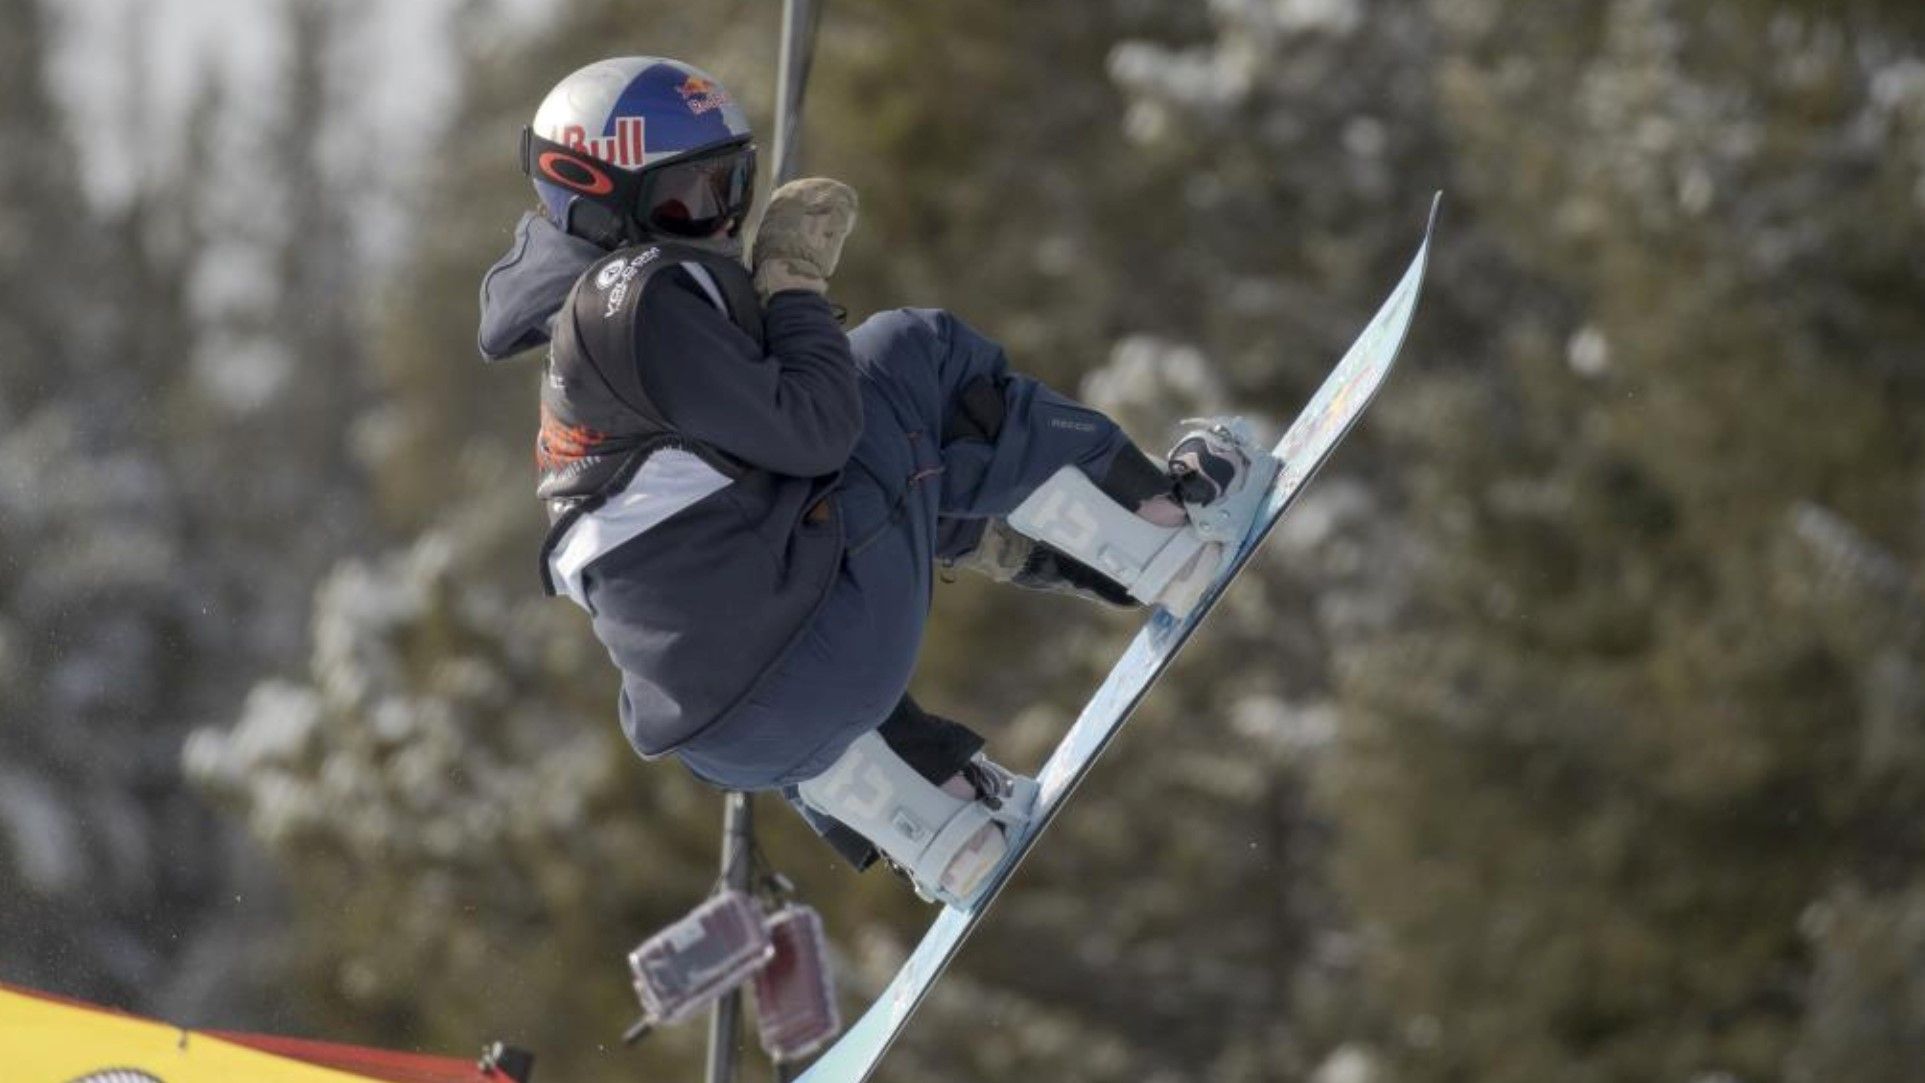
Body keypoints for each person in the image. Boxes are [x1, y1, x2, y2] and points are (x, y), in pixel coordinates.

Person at [477, 57, 1275, 907]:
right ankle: (1165, 528)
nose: (718, 224)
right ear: (595, 199)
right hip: (821, 651)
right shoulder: (634, 294)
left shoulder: (583, 354)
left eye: (731, 189)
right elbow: (820, 427)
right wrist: (792, 287)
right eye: (688, 201)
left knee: (868, 478)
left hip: (734, 741)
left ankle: (937, 814)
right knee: (907, 356)